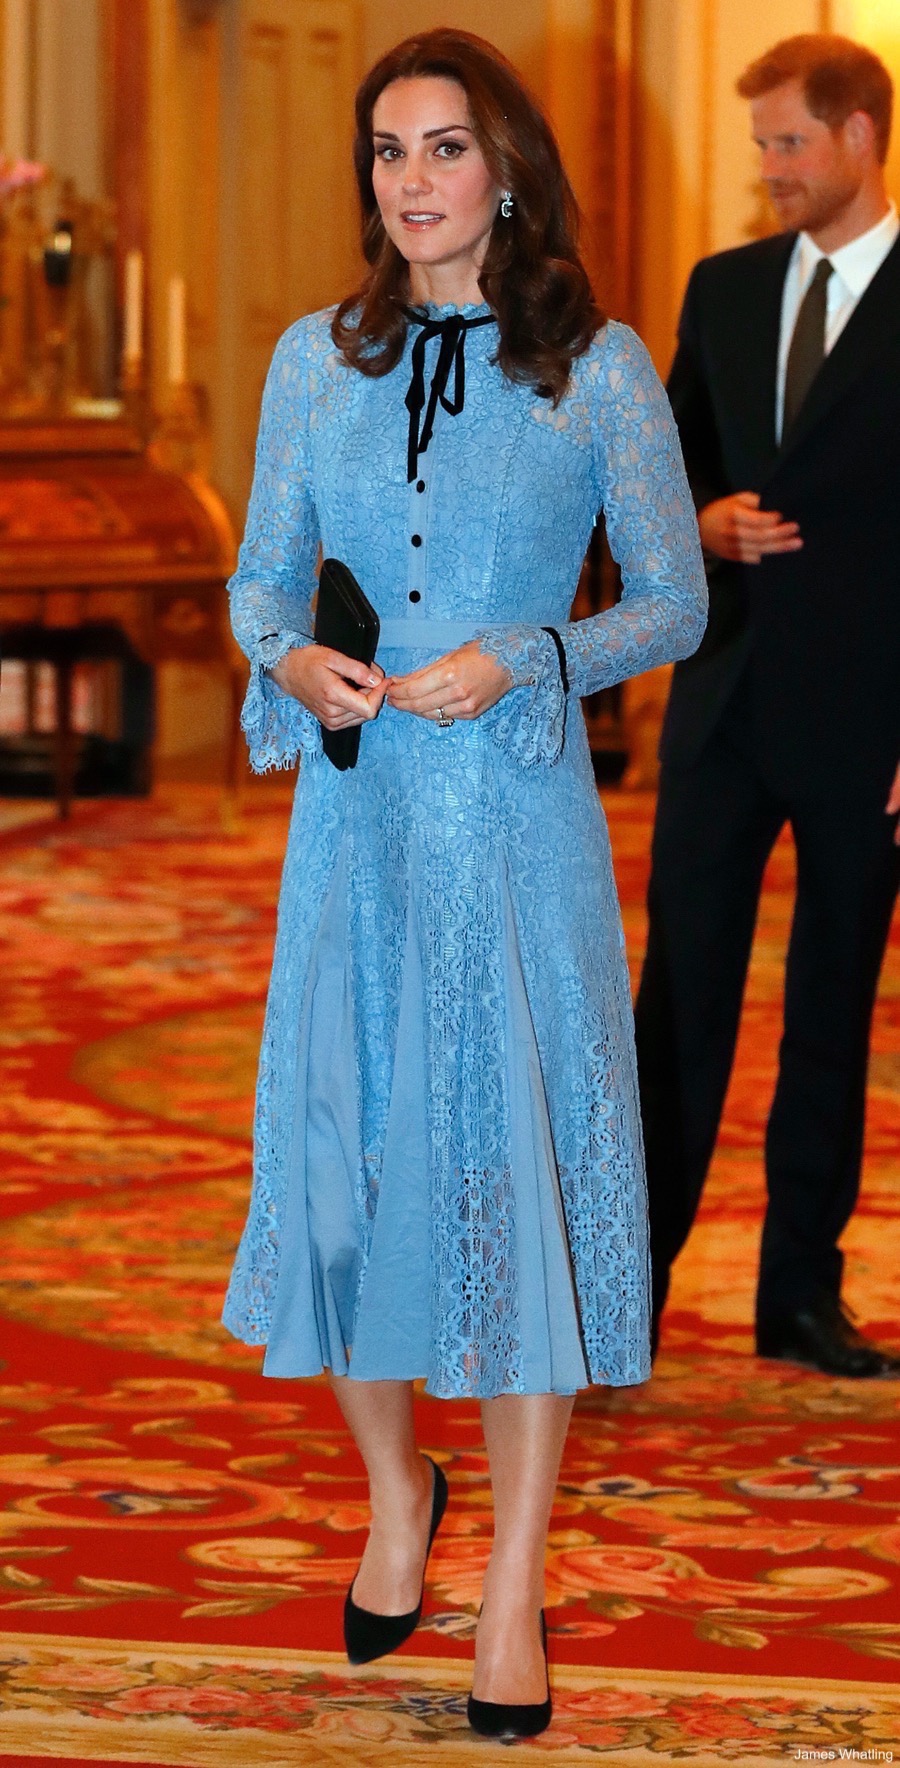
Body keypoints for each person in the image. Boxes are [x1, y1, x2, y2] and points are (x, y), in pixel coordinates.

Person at [223, 27, 706, 1739]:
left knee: (517, 1201)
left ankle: (511, 1590)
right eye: (386, 152)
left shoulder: (601, 369)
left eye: (441, 148)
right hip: (354, 834)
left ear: (505, 170)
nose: (410, 182)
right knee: (350, 1185)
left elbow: (672, 601)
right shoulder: (312, 361)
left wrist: (528, 654)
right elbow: (259, 583)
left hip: (513, 833)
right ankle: (392, 1495)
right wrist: (287, 663)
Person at [635, 34, 900, 1379]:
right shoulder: (724, 290)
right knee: (676, 1001)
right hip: (726, 702)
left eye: (790, 143)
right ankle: (624, 1290)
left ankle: (800, 1292)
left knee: (830, 1007)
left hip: (872, 726)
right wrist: (700, 522)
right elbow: (656, 489)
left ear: (862, 137)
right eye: (762, 147)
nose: (772, 171)